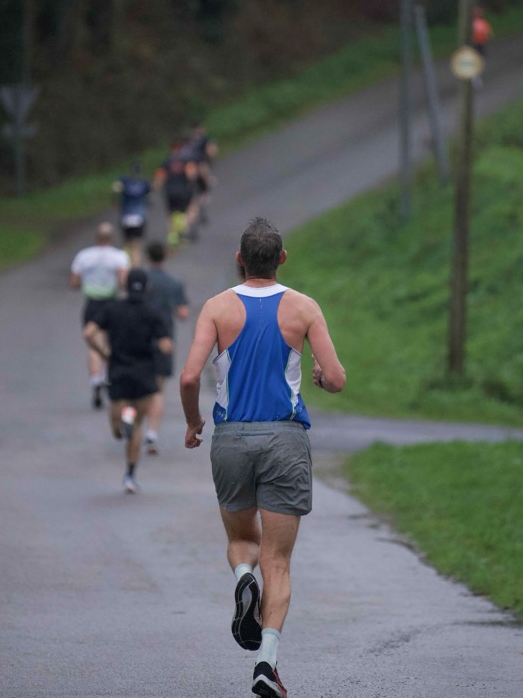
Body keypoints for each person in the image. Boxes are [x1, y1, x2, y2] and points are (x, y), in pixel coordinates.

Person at [180, 217, 346, 698]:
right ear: (282, 259)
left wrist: (193, 422)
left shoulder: (216, 307)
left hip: (231, 437)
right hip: (285, 440)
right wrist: (319, 378)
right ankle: (265, 664)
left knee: (241, 541)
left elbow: (189, 377)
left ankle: (242, 578)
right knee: (279, 560)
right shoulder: (304, 307)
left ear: (239, 259)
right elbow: (336, 379)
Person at [84, 268, 173, 494]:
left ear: (125, 285)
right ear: (147, 287)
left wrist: (103, 353)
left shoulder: (112, 309)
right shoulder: (153, 313)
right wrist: (158, 347)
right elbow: (166, 345)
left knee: (117, 430)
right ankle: (130, 475)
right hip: (144, 375)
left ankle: (123, 422)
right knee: (137, 426)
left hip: (118, 372)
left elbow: (89, 333)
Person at [69, 222, 131, 410]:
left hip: (92, 303)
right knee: (111, 342)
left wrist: (90, 282)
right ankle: (110, 376)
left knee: (93, 343)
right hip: (111, 303)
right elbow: (123, 282)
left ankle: (96, 378)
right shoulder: (119, 256)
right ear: (112, 237)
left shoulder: (83, 256)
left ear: (96, 237)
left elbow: (74, 283)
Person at [141, 241, 189, 454]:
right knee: (157, 389)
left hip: (140, 336)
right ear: (165, 256)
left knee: (138, 386)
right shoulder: (173, 282)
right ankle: (152, 434)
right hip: (164, 338)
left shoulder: (141, 279)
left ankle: (132, 422)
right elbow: (183, 314)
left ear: (147, 255)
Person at [154, 138, 198, 246]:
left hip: (170, 192)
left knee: (171, 214)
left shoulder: (166, 162)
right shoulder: (186, 160)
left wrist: (154, 190)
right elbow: (191, 175)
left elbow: (159, 178)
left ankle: (172, 237)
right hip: (183, 191)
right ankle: (184, 233)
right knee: (186, 212)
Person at [112, 161, 152, 266]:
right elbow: (149, 197)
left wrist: (116, 203)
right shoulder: (144, 183)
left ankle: (125, 265)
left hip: (126, 216)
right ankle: (135, 266)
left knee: (126, 243)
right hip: (139, 217)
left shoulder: (124, 181)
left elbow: (115, 190)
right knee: (137, 245)